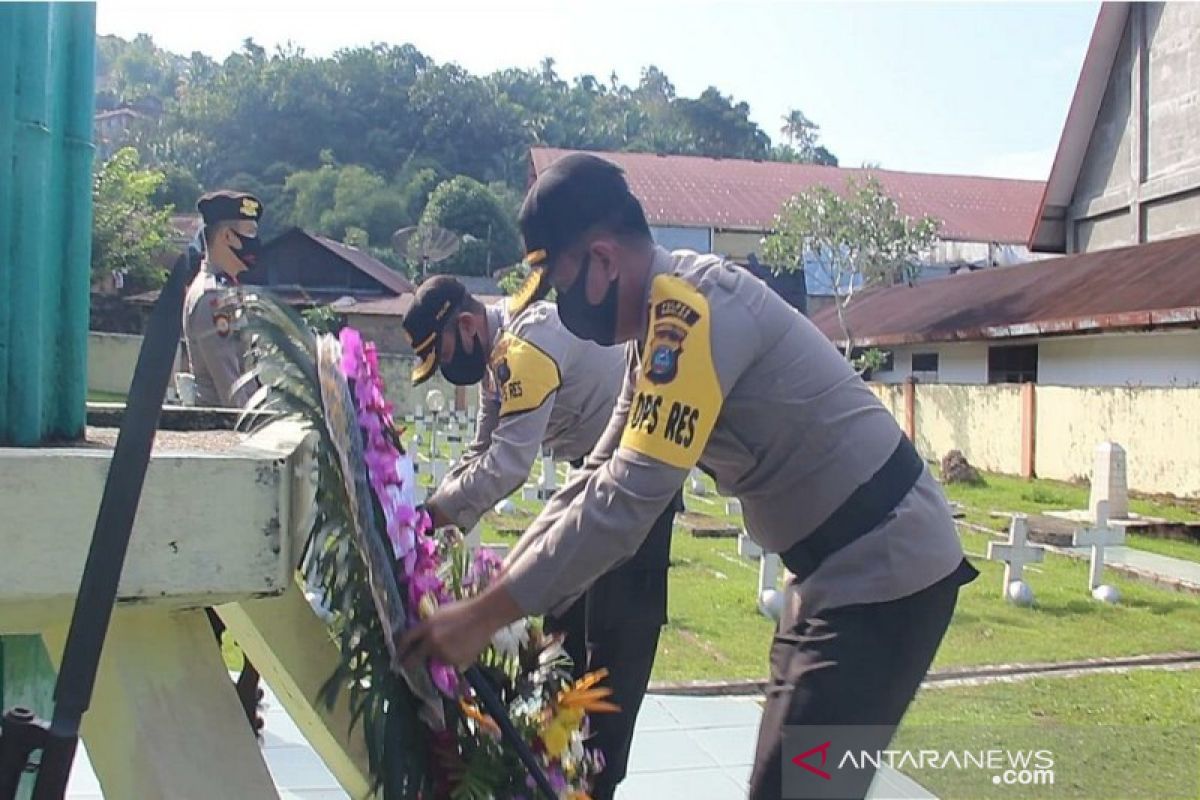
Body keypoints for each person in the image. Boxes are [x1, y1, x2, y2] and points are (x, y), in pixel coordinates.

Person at [399, 153, 978, 799]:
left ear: (603, 260)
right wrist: (496, 599)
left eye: (562, 285)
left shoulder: (691, 315)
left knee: (796, 788)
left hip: (884, 567)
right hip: (827, 573)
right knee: (787, 782)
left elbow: (624, 505)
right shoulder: (652, 331)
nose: (563, 308)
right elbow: (596, 474)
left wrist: (484, 616)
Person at [401, 275, 679, 798]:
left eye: (444, 357)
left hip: (640, 489)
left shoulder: (524, 348)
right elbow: (478, 452)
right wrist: (431, 513)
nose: (448, 372)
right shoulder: (495, 361)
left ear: (466, 325)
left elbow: (507, 466)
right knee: (561, 642)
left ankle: (597, 783)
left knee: (613, 651)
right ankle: (556, 773)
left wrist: (431, 517)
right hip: (592, 481)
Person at [183, 189, 266, 737]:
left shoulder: (225, 292)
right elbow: (236, 390)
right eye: (242, 234)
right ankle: (230, 694)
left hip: (237, 454)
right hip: (231, 455)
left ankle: (240, 690)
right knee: (236, 586)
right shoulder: (210, 299)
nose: (250, 246)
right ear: (217, 234)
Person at [182, 190, 263, 409]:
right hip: (220, 431)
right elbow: (232, 389)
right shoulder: (212, 298)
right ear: (227, 237)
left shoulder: (229, 290)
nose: (255, 242)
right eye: (250, 233)